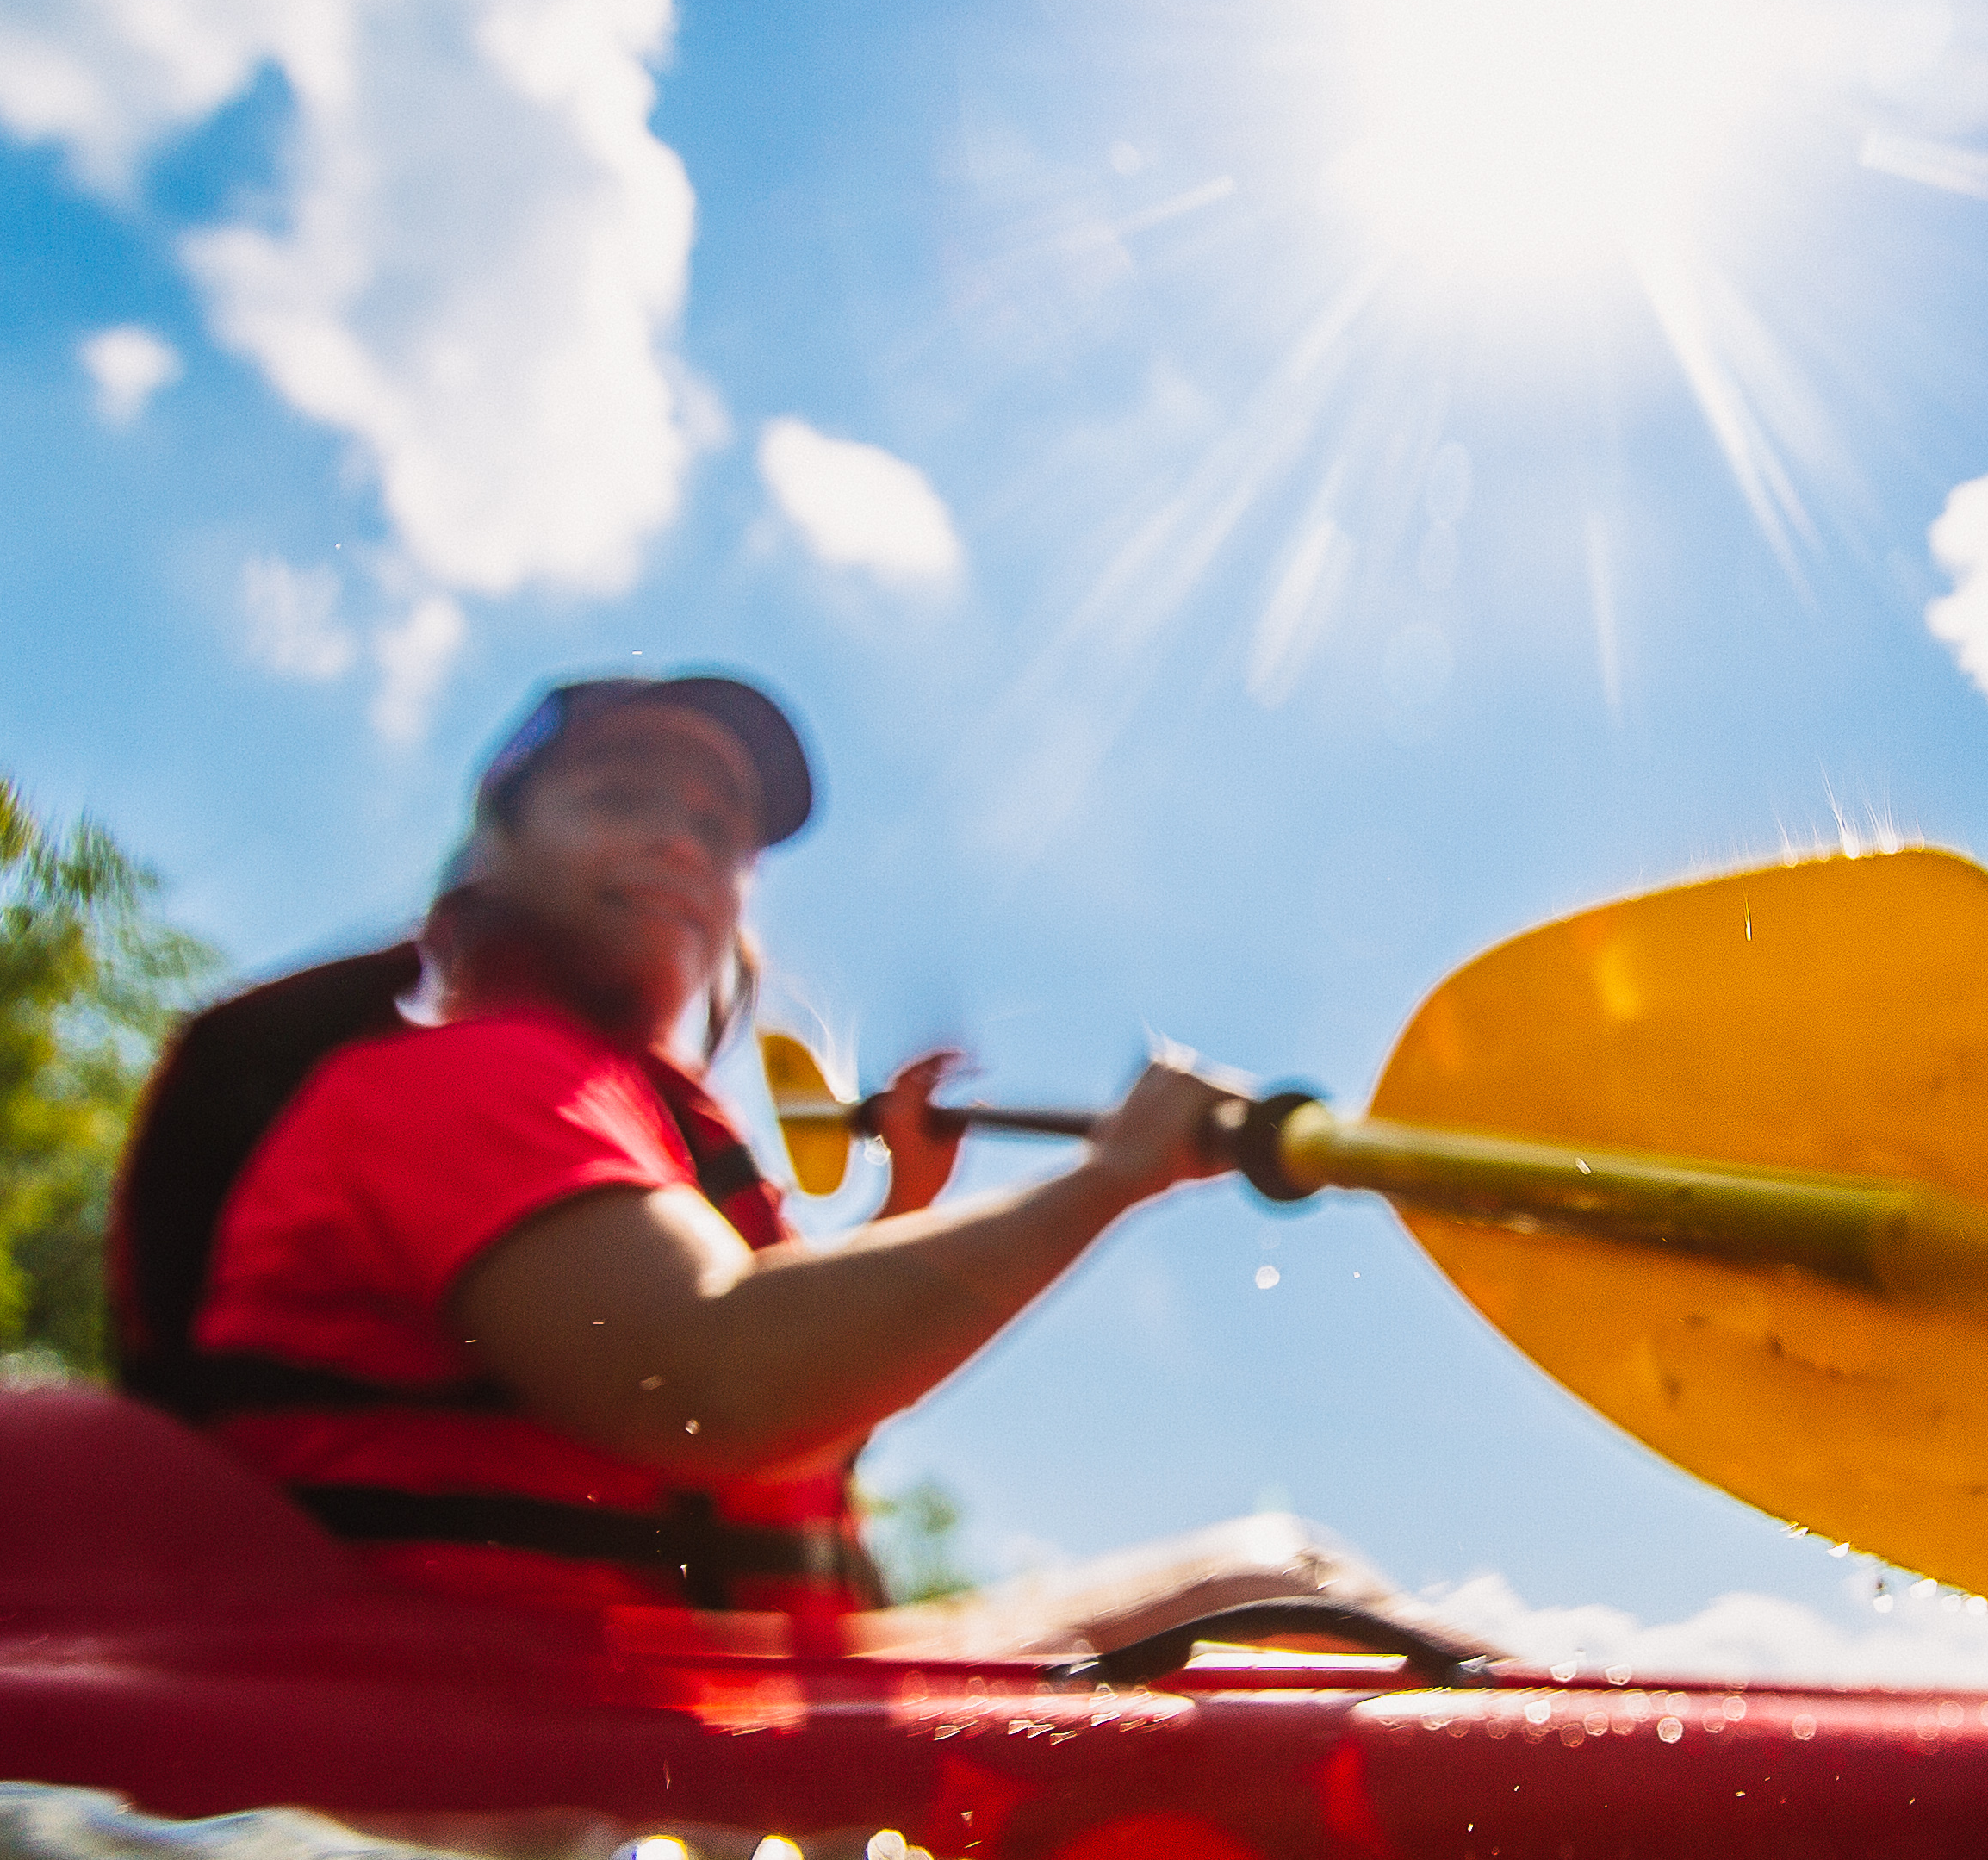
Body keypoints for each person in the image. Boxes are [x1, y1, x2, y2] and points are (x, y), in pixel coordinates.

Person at [130, 669, 1244, 1618]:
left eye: (717, 833)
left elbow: (788, 1443)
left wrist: (904, 1206)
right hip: (539, 1772)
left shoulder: (617, 1118)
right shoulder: (464, 1080)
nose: (679, 842)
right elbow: (712, 1381)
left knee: (1270, 1591)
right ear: (490, 849)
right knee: (1285, 1595)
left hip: (692, 1739)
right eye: (618, 799)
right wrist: (1111, 1178)